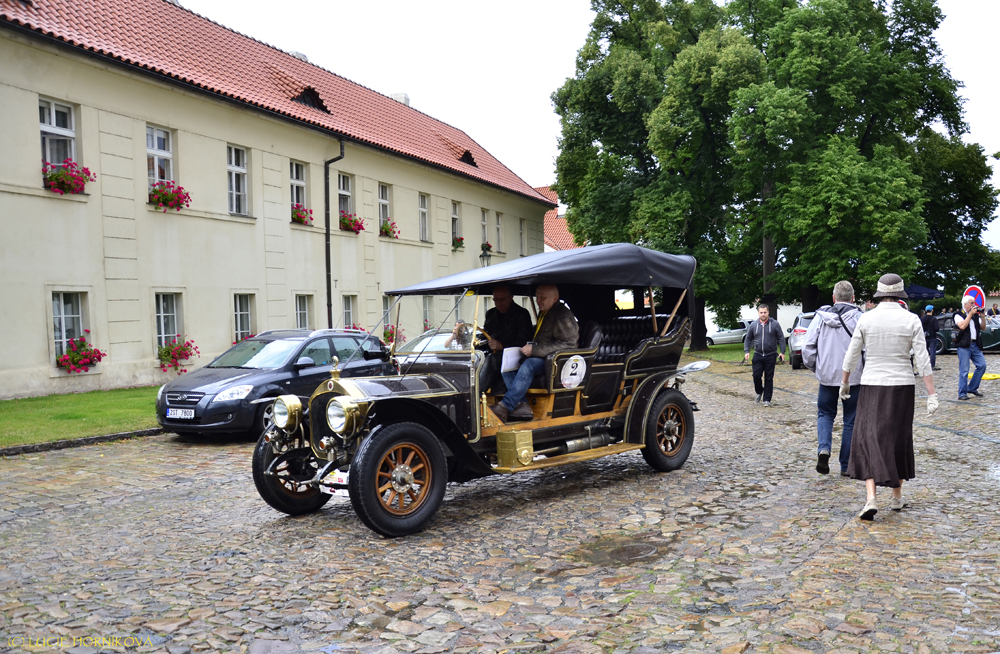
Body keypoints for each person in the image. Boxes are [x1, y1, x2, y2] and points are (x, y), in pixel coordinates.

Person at [842, 274, 937, 521]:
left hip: (872, 384)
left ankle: (871, 498)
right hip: (902, 385)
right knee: (899, 438)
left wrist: (844, 382)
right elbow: (922, 358)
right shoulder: (911, 319)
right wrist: (932, 393)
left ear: (879, 293)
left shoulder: (867, 318)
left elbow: (852, 354)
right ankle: (896, 497)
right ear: (900, 294)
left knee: (867, 438)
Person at [491, 284, 578, 422]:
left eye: (543, 298)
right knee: (507, 364)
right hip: (544, 355)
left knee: (529, 364)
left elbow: (568, 344)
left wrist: (534, 350)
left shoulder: (562, 316)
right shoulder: (545, 311)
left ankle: (506, 405)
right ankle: (523, 407)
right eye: (537, 297)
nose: (538, 301)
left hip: (557, 360)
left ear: (555, 298)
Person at [802, 281, 863, 477]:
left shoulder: (820, 318)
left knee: (825, 414)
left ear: (834, 298)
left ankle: (824, 448)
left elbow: (807, 347)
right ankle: (845, 465)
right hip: (854, 378)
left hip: (827, 377)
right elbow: (867, 349)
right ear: (853, 298)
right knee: (851, 420)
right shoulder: (860, 319)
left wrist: (817, 368)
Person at [478, 284, 533, 393]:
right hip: (494, 353)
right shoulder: (490, 314)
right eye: (496, 300)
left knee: (492, 359)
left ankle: (477, 393)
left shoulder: (522, 314)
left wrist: (502, 346)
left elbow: (524, 341)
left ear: (510, 298)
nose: (499, 303)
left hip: (515, 354)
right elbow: (485, 334)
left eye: (502, 300)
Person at [743, 304, 786, 407]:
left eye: (765, 312)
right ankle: (759, 391)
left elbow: (781, 338)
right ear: (758, 313)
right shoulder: (754, 325)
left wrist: (782, 352)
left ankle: (767, 399)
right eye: (761, 312)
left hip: (770, 355)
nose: (763, 314)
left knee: (769, 377)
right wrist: (747, 351)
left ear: (768, 312)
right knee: (756, 376)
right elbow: (748, 339)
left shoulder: (774, 324)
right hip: (758, 354)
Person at [954, 295, 987, 401]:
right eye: (972, 303)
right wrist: (970, 315)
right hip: (964, 345)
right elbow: (962, 326)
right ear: (965, 304)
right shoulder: (958, 314)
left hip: (975, 344)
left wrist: (982, 316)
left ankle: (972, 388)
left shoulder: (975, 315)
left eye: (974, 303)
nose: (974, 305)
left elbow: (983, 328)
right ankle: (962, 393)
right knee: (964, 370)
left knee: (982, 365)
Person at [920, 305, 940, 371]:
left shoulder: (922, 319)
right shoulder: (934, 319)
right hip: (932, 337)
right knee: (932, 351)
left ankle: (924, 364)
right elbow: (937, 328)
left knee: (924, 351)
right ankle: (932, 365)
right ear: (932, 310)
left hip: (924, 337)